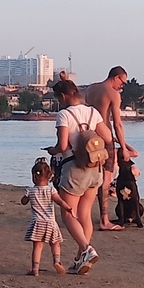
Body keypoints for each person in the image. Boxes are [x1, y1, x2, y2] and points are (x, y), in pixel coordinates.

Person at [51, 76, 110, 273]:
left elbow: (63, 145)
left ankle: (87, 249)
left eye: (58, 99)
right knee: (85, 214)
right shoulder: (92, 112)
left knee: (68, 213)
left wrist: (51, 151)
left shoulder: (64, 115)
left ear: (63, 96)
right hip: (95, 169)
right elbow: (108, 137)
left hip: (74, 168)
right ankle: (80, 258)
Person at [85, 66, 138, 229]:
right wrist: (123, 147)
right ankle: (104, 220)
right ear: (115, 77)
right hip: (105, 136)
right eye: (122, 81)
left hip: (88, 135)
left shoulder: (91, 89)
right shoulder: (113, 94)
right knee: (105, 180)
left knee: (88, 175)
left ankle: (83, 214)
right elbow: (118, 124)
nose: (122, 86)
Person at [25, 157, 65, 276]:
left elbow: (23, 201)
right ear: (49, 176)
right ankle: (57, 261)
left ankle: (35, 269)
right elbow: (59, 201)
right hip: (50, 222)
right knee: (55, 242)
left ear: (34, 176)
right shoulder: (51, 190)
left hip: (37, 222)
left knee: (37, 246)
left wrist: (26, 196)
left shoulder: (30, 191)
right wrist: (68, 207)